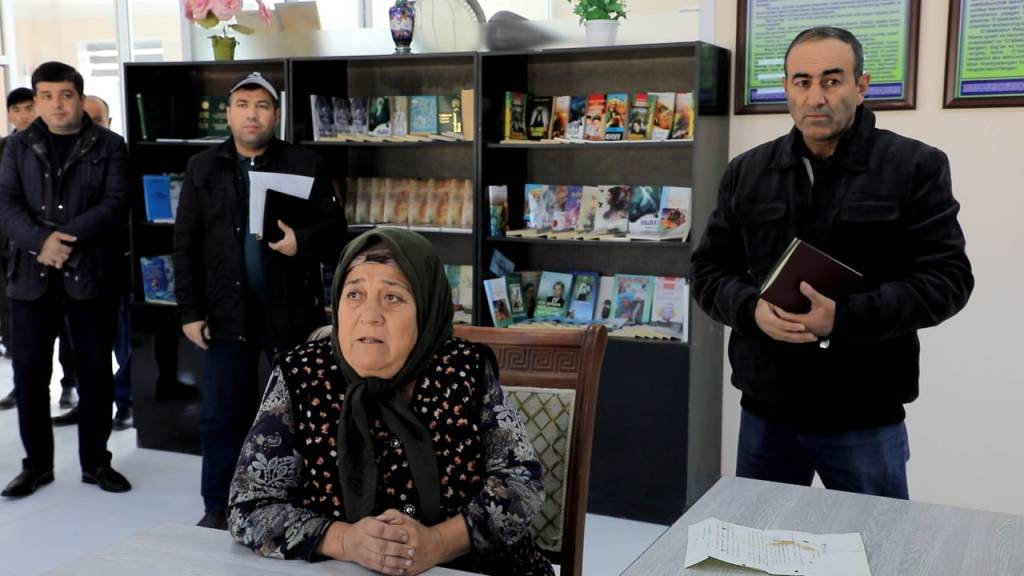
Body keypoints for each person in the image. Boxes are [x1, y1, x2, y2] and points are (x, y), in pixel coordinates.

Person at [690, 27, 974, 499]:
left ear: (861, 86)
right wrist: (750, 310)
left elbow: (948, 280)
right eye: (802, 82)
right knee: (760, 540)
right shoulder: (747, 171)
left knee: (876, 540)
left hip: (864, 413)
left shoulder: (914, 166)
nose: (815, 97)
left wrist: (843, 318)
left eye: (832, 80)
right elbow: (707, 271)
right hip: (766, 409)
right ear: (786, 88)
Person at [229, 228, 553, 576]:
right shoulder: (302, 374)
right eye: (354, 294)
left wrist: (438, 542)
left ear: (426, 308)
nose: (370, 315)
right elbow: (249, 505)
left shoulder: (465, 369)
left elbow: (522, 484)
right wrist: (344, 540)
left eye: (393, 297)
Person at [173, 71, 345, 529]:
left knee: (304, 414)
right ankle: (218, 506)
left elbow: (336, 231)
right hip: (225, 313)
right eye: (243, 105)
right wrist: (189, 310)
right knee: (221, 415)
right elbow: (185, 243)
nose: (252, 115)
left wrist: (300, 242)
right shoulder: (203, 167)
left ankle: (303, 500)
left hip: (291, 313)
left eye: (263, 106)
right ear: (229, 114)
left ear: (277, 114)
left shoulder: (305, 162)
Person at [0, 61, 132, 497]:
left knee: (95, 373)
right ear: (37, 99)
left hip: (90, 274)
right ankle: (36, 466)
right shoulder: (17, 146)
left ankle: (96, 463)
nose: (56, 104)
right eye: (47, 96)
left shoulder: (110, 145)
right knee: (30, 376)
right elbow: (6, 204)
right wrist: (42, 242)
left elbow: (116, 202)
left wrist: (64, 240)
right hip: (31, 277)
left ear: (79, 96)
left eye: (65, 95)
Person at [51, 95, 134, 431]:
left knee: (125, 343)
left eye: (98, 119)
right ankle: (88, 404)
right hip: (77, 271)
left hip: (119, 266)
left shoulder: (122, 157)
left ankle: (126, 403)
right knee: (84, 346)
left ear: (110, 123)